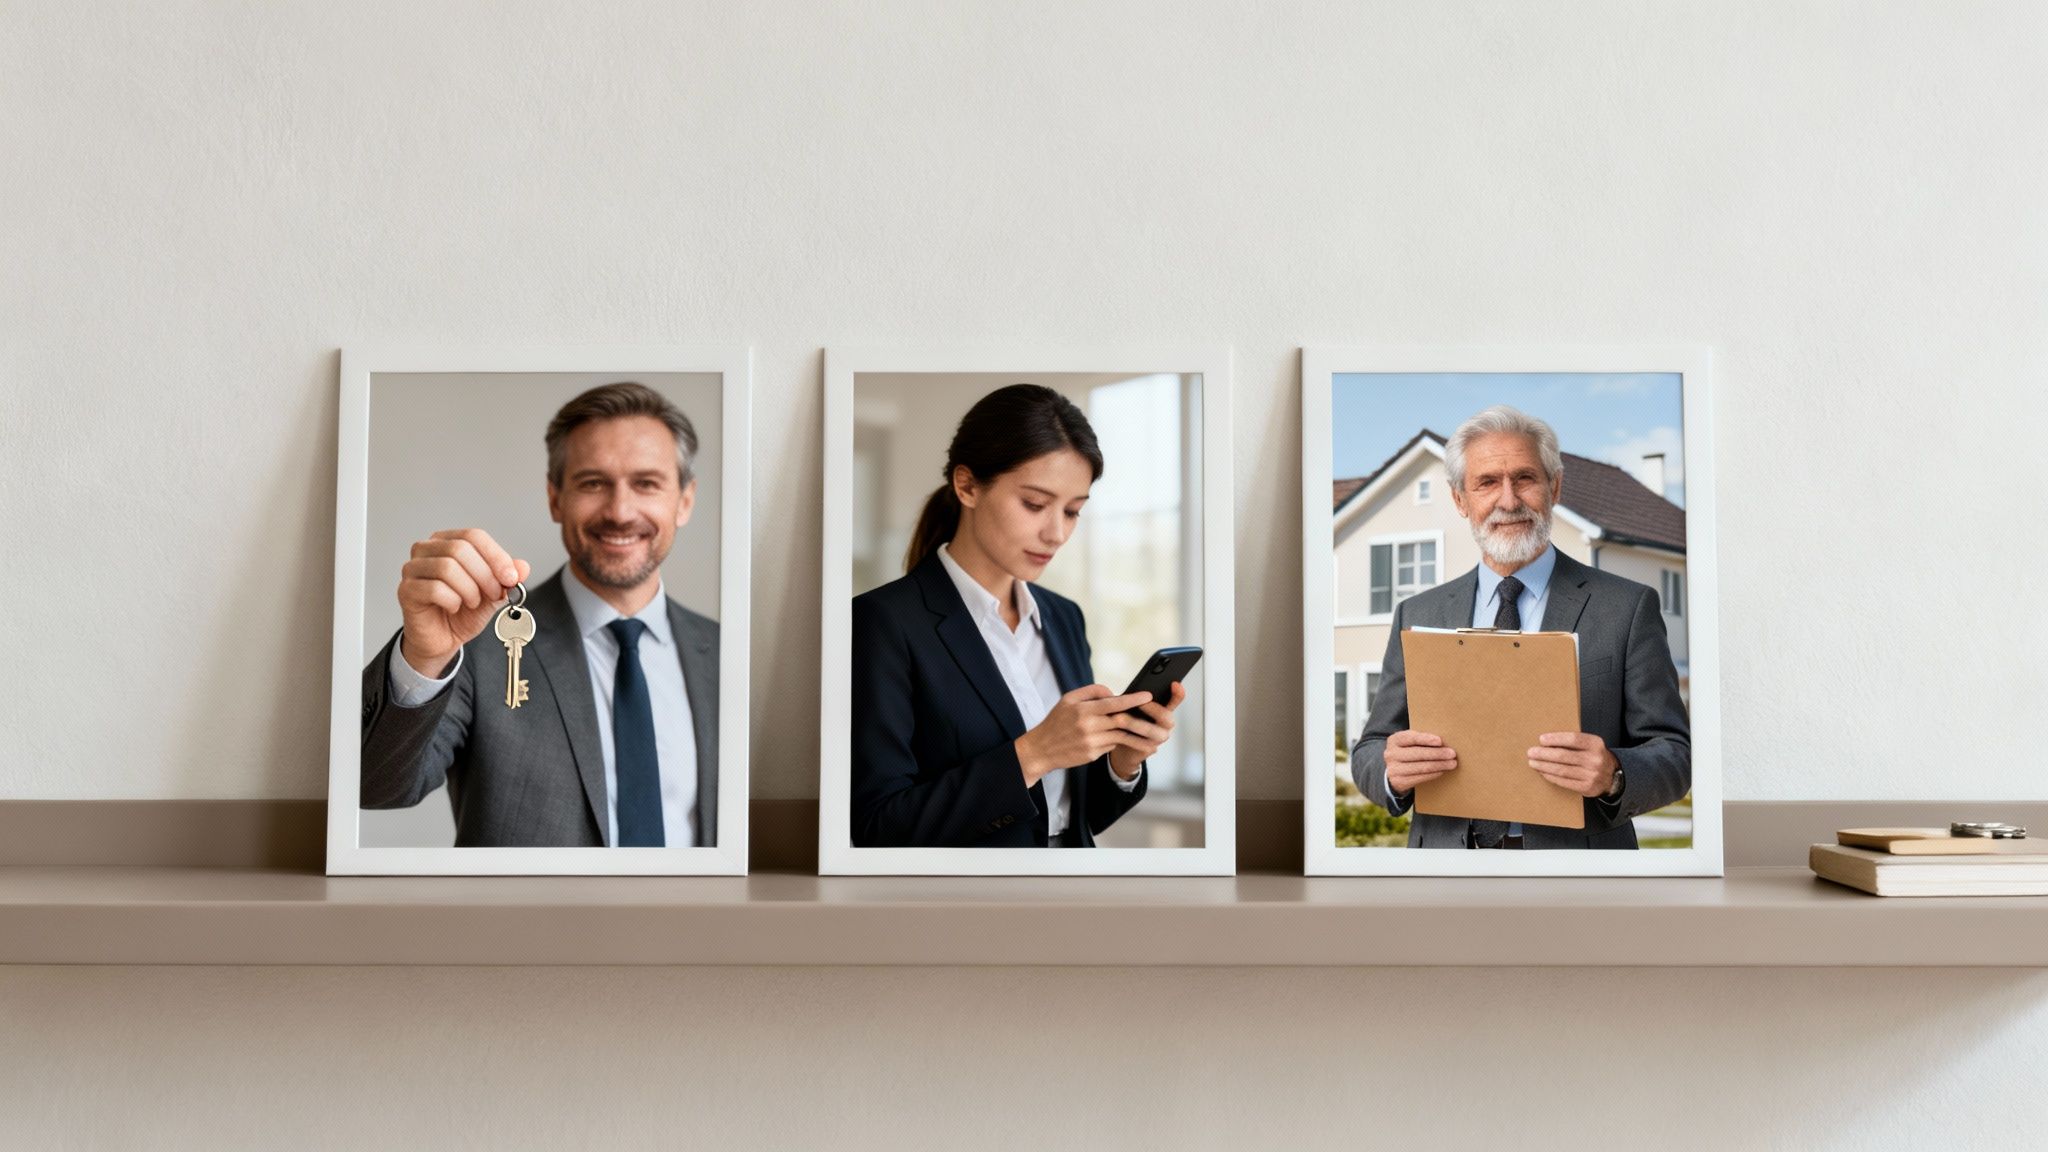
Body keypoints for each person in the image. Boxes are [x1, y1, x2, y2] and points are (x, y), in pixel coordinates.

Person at [359, 382, 719, 848]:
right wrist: (424, 654)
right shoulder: (476, 645)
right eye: (593, 483)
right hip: (528, 924)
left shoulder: (727, 653)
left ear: (684, 501)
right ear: (555, 498)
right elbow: (376, 786)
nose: (620, 511)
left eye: (646, 483)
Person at [850, 384, 1183, 848]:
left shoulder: (1064, 619)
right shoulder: (882, 623)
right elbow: (874, 827)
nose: (1057, 533)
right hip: (965, 908)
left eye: (1073, 511)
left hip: (1068, 897)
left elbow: (1072, 818)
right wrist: (1032, 754)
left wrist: (1122, 762)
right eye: (1034, 504)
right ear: (967, 486)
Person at [1353, 405, 1689, 849]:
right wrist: (1391, 772)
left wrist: (1615, 774)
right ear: (1460, 500)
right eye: (1487, 482)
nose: (1508, 501)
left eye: (1525, 478)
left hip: (1576, 872)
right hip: (1444, 869)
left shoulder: (1627, 608)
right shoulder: (1418, 614)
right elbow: (1370, 748)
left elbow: (1675, 755)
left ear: (1555, 486)